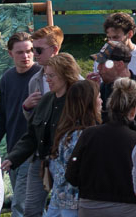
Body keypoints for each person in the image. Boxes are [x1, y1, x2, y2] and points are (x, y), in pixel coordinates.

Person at [67, 78, 136, 217]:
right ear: (134, 111)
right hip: (126, 208)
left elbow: (71, 174)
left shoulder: (89, 134)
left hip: (89, 206)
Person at [0, 32, 42, 217]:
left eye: (29, 51)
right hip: (14, 152)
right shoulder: (7, 78)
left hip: (34, 151)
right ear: (10, 53)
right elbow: (0, 119)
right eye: (20, 52)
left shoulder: (42, 76)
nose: (26, 56)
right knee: (32, 207)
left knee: (21, 205)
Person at [41, 76, 99, 217]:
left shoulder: (66, 132)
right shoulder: (82, 136)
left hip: (59, 200)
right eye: (99, 97)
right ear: (89, 103)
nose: (102, 101)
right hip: (75, 203)